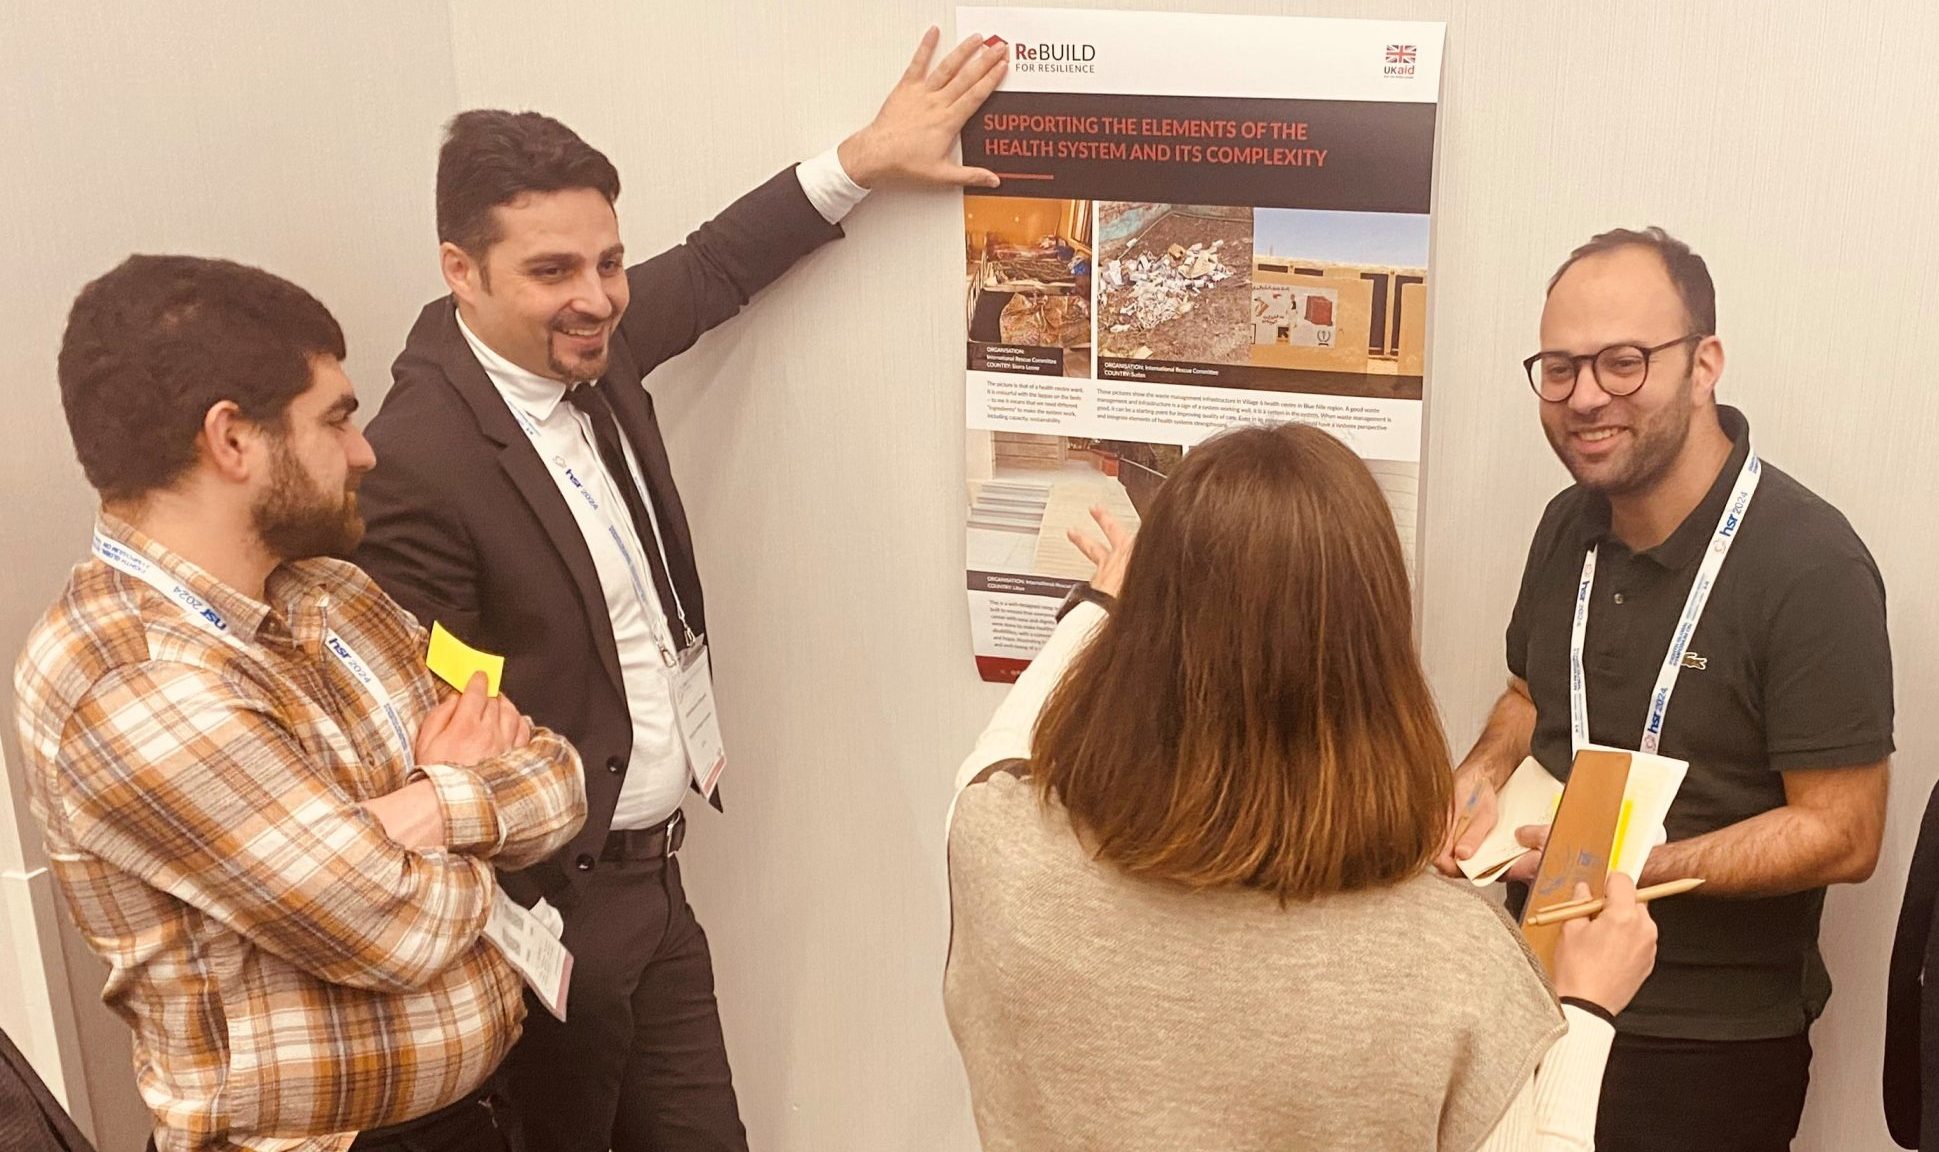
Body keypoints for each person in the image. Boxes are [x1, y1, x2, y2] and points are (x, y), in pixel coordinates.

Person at [350, 29, 1007, 1152]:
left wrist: (865, 156)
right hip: (552, 907)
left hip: (655, 886)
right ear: (460, 270)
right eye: (554, 271)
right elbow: (434, 728)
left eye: (607, 261)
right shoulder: (420, 457)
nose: (599, 297)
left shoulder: (585, 347)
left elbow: (709, 268)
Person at [946, 423, 1659, 1152]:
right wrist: (1587, 1007)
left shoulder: (998, 853)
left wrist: (1102, 611)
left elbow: (999, 752)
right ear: (1375, 661)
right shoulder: (1452, 963)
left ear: (1142, 646)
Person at [12, 255, 588, 1152]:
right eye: (337, 418)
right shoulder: (122, 677)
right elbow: (393, 924)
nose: (365, 450)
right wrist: (462, 803)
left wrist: (422, 808)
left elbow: (555, 776)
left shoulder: (331, 592)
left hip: (483, 1111)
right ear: (232, 439)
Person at [1438, 227, 1892, 1151]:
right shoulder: (1567, 523)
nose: (1586, 396)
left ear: (1704, 364)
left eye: (1622, 362)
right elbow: (1531, 693)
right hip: (1529, 989)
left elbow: (1844, 833)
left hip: (1703, 1044)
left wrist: (1635, 869)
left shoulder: (1810, 564)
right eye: (1559, 369)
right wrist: (1478, 776)